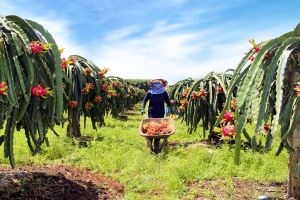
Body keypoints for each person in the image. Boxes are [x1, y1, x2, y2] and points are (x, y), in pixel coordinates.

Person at [141, 79, 174, 153]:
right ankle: (150, 141)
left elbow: (168, 102)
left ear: (162, 85)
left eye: (158, 84)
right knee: (151, 128)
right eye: (155, 84)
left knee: (159, 128)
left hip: (160, 113)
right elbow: (144, 101)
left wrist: (171, 110)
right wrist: (142, 109)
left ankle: (156, 143)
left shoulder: (164, 93)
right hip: (151, 113)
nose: (157, 86)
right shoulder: (150, 92)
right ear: (152, 85)